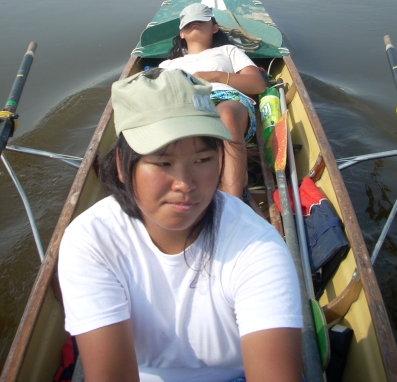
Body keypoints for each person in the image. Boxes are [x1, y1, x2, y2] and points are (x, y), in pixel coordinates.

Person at [58, 68, 303, 382]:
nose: (186, 184)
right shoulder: (92, 241)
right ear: (122, 165)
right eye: (163, 163)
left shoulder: (257, 246)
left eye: (203, 160)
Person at [159, 3, 266, 199]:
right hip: (186, 106)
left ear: (215, 28)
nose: (195, 24)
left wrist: (215, 76)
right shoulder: (168, 65)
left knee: (226, 114)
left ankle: (233, 202)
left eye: (201, 20)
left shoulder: (228, 51)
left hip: (227, 101)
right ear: (182, 33)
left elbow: (257, 85)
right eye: (190, 23)